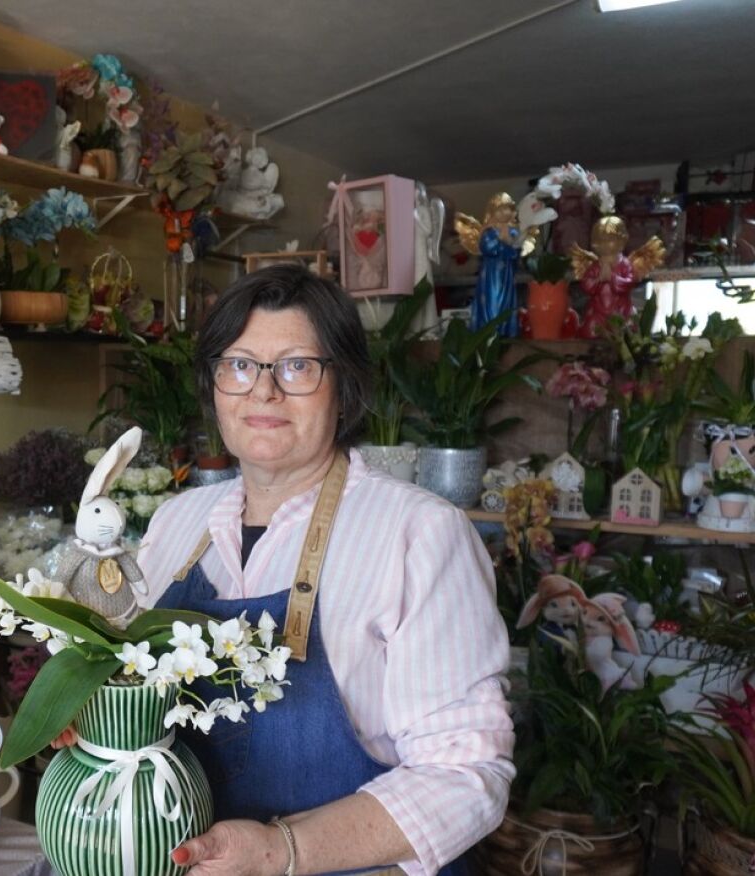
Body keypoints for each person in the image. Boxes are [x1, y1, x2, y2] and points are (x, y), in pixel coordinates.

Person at [138, 265, 514, 876]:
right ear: (212, 386)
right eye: (238, 365)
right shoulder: (174, 524)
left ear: (346, 388)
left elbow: (467, 774)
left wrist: (284, 851)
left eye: (295, 366)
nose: (263, 392)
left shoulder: (419, 533)